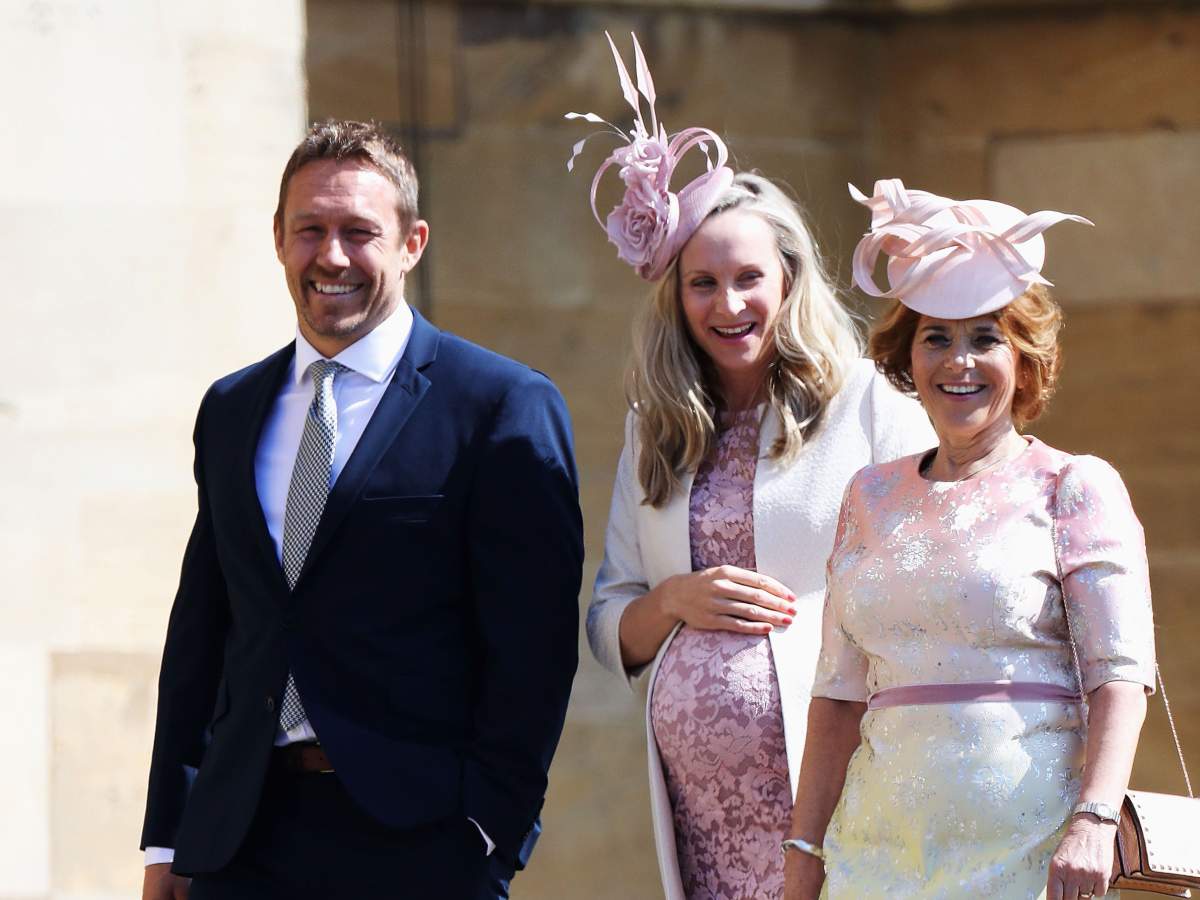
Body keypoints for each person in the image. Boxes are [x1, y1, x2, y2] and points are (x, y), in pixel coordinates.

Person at [140, 119, 583, 900]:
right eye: (310, 229)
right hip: (238, 843)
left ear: (413, 243)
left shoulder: (501, 406)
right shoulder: (232, 407)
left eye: (359, 231)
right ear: (278, 238)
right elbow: (203, 632)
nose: (332, 256)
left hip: (420, 847)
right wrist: (169, 839)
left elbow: (534, 651)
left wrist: (489, 833)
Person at [572, 35, 934, 900]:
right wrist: (670, 604)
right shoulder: (655, 428)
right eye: (703, 283)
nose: (727, 305)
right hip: (702, 822)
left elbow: (932, 575)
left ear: (789, 279)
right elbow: (607, 618)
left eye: (748, 279)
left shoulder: (869, 405)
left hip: (842, 801)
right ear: (675, 295)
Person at [783, 180, 1156, 900]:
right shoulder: (869, 495)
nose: (959, 361)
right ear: (907, 358)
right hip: (875, 853)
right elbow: (836, 696)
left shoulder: (1074, 486)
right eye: (936, 337)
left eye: (985, 337)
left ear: (1022, 360)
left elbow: (1120, 676)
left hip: (1030, 852)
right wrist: (804, 852)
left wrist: (1095, 821)